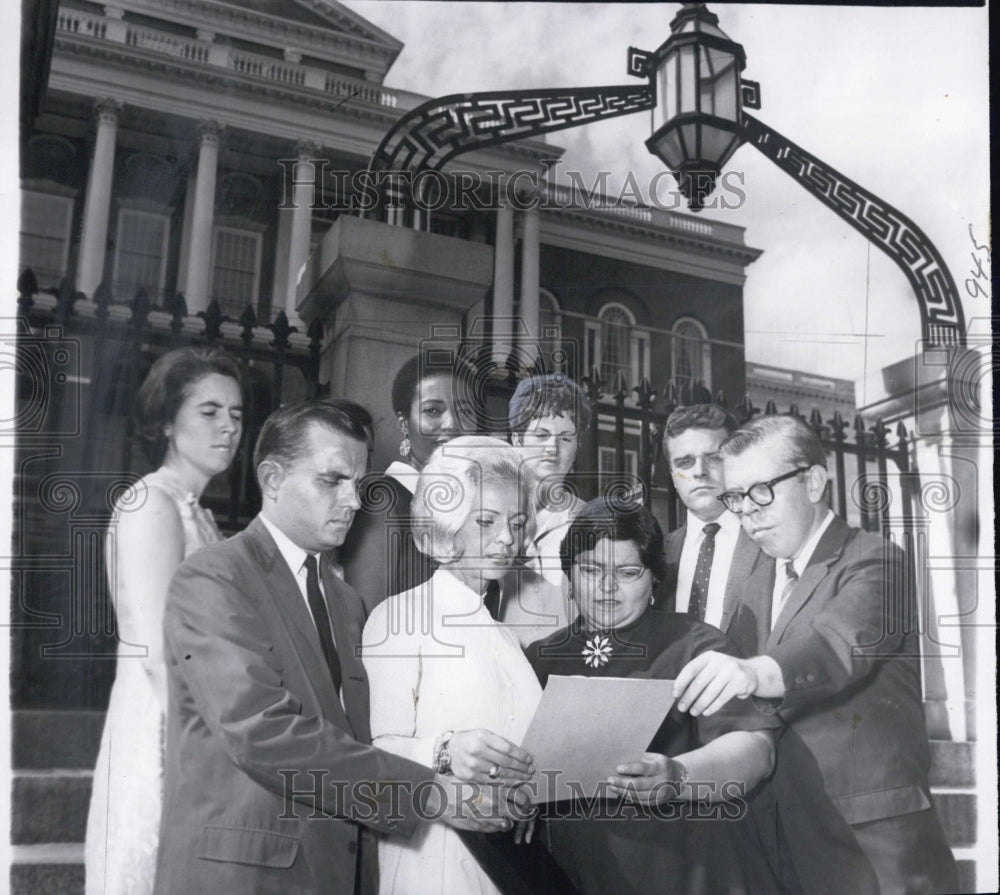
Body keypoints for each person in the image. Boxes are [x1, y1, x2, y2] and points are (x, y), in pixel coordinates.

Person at [154, 402, 526, 895]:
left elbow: (358, 741)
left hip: (334, 868)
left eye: (359, 483)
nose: (352, 500)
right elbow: (262, 732)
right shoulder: (214, 577)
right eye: (332, 481)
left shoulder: (346, 602)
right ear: (272, 479)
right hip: (244, 873)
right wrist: (434, 793)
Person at [673, 415, 958, 895]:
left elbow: (836, 645)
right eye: (736, 497)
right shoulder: (756, 582)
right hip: (786, 840)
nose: (747, 512)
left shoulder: (875, 560)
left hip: (873, 844)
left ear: (813, 482)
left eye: (761, 491)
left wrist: (752, 672)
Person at [526, 497, 780, 895]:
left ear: (655, 579)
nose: (607, 587)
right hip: (571, 875)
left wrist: (677, 775)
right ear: (569, 575)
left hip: (684, 873)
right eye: (591, 570)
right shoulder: (538, 659)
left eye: (628, 572)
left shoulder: (693, 643)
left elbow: (757, 751)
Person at [361, 436, 574, 895]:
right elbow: (375, 754)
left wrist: (527, 795)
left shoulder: (506, 637)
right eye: (486, 521)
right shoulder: (399, 616)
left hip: (506, 862)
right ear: (447, 524)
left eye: (517, 523)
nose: (507, 538)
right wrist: (444, 751)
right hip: (433, 856)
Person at [84, 346, 244, 895]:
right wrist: (209, 751)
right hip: (165, 723)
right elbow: (156, 652)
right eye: (209, 411)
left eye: (236, 414)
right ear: (169, 423)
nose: (228, 426)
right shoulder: (152, 504)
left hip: (194, 716)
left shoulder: (197, 512)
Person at [341, 353, 478, 612]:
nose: (451, 424)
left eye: (465, 411)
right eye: (432, 410)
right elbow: (366, 620)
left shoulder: (473, 506)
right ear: (404, 423)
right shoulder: (384, 501)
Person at [500, 373, 591, 645]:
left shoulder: (590, 522)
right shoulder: (490, 517)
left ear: (577, 446)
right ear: (517, 440)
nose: (552, 448)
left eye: (565, 438)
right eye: (541, 435)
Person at [660, 403, 763, 627]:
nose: (699, 472)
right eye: (685, 462)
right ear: (673, 476)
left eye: (714, 458)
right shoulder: (659, 553)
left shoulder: (767, 544)